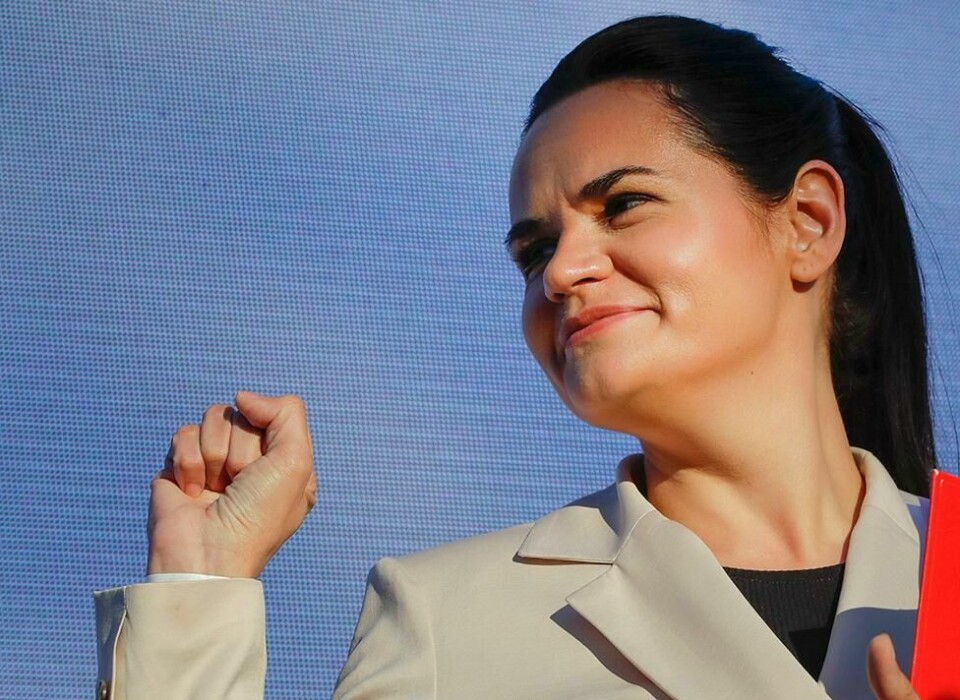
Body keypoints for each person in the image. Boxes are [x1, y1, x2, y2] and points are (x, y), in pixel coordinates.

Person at [94, 15, 934, 699]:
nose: (563, 271)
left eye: (626, 203)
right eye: (534, 251)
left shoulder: (949, 579)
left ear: (810, 222)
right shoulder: (449, 623)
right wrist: (193, 595)